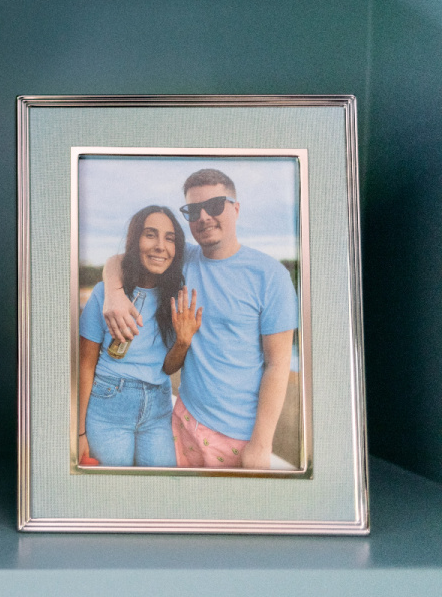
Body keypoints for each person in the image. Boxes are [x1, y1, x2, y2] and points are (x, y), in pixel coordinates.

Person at [101, 168, 298, 469]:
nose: (204, 216)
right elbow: (122, 259)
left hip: (236, 438)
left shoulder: (271, 276)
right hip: (181, 420)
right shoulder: (184, 261)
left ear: (236, 208)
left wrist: (261, 445)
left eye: (216, 205)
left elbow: (278, 364)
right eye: (193, 210)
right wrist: (114, 294)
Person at [77, 205, 202, 467]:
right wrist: (79, 432)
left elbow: (168, 367)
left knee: (159, 491)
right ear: (135, 241)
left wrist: (183, 341)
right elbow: (85, 364)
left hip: (158, 409)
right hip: (108, 407)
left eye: (170, 238)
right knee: (112, 492)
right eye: (150, 234)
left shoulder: (175, 298)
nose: (160, 246)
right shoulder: (104, 294)